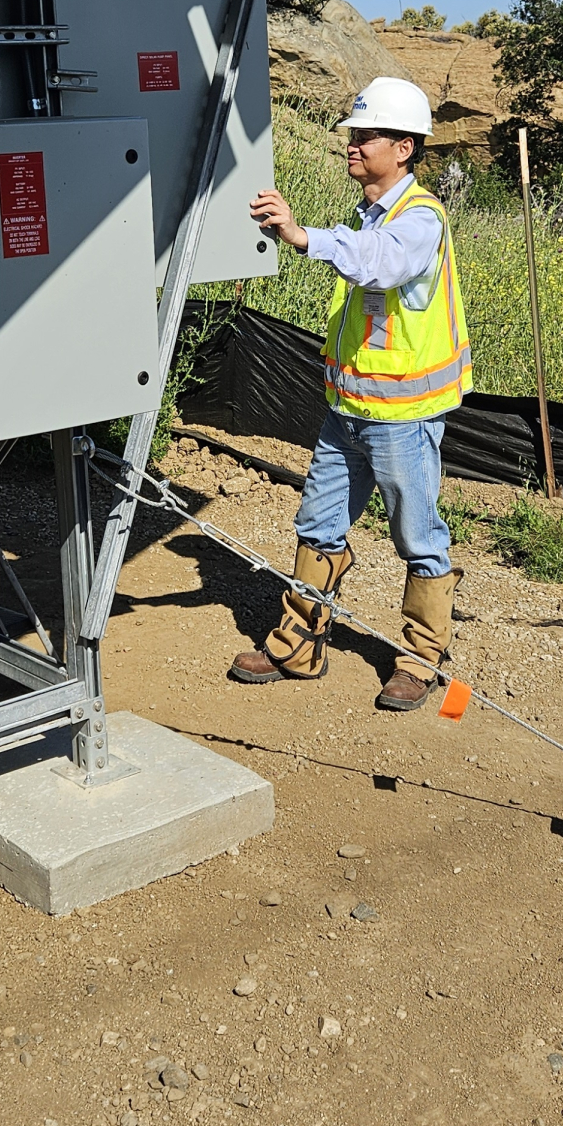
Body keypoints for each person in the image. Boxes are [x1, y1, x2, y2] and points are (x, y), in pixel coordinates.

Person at [230, 76, 472, 711]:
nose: (353, 145)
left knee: (416, 534)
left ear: (405, 148)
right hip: (348, 411)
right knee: (317, 525)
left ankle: (420, 660)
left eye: (366, 136)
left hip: (403, 417)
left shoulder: (418, 220)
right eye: (353, 135)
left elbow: (381, 261)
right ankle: (297, 648)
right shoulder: (370, 218)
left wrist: (306, 236)